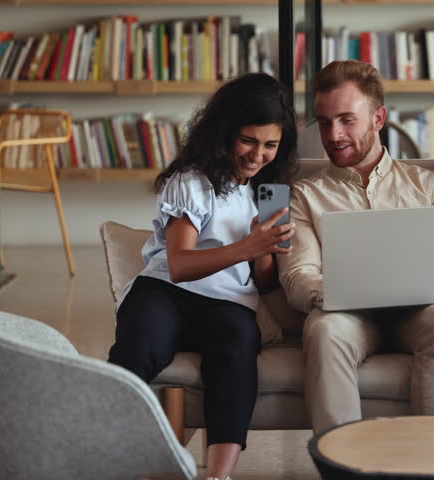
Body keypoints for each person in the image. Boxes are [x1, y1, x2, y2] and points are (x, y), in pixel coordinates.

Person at [107, 73, 298, 480]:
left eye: (270, 145)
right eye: (248, 140)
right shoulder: (192, 180)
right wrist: (247, 247)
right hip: (165, 291)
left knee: (238, 350)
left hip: (227, 303)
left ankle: (218, 476)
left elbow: (263, 281)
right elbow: (180, 265)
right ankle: (103, 456)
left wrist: (264, 250)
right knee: (140, 347)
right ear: (225, 132)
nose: (257, 154)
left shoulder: (264, 191)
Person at [277, 60, 434, 434]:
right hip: (346, 317)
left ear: (378, 118)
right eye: (325, 122)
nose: (333, 134)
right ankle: (340, 459)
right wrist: (339, 292)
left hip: (418, 316)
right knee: (323, 329)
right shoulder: (305, 195)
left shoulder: (429, 187)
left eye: (346, 120)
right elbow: (298, 276)